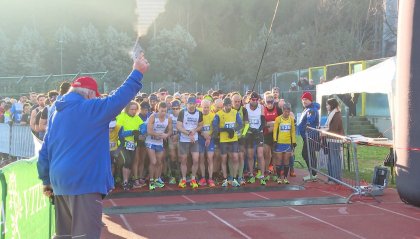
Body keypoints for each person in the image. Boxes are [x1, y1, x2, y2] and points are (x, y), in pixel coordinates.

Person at [37, 54, 149, 239]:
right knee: (85, 235)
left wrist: (45, 180)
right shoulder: (90, 108)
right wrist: (136, 73)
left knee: (64, 235)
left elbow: (45, 150)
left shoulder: (55, 112)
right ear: (89, 94)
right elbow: (117, 99)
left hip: (59, 182)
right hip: (84, 182)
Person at [212, 97, 242, 187]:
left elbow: (240, 124)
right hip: (224, 140)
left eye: (230, 105)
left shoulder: (235, 112)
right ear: (223, 106)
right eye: (226, 105)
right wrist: (225, 129)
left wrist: (233, 130)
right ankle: (225, 179)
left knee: (235, 158)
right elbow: (215, 127)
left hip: (233, 139)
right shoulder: (218, 114)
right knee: (224, 159)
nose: (228, 107)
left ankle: (234, 178)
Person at [176, 95, 203, 189]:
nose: (191, 105)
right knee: (183, 159)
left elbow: (200, 126)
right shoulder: (182, 113)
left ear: (196, 104)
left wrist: (194, 131)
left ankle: (193, 178)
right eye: (190, 103)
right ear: (187, 104)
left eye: (193, 104)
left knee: (196, 159)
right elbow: (178, 126)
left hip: (194, 139)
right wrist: (188, 134)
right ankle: (183, 179)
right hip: (184, 139)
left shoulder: (199, 113)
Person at [117, 101, 144, 191]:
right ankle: (124, 181)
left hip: (133, 144)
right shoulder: (121, 117)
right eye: (131, 109)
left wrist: (141, 131)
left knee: (130, 163)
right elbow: (120, 134)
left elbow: (143, 126)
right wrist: (131, 132)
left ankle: (126, 181)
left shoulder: (137, 118)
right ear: (127, 109)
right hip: (122, 143)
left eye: (135, 109)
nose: (133, 111)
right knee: (127, 161)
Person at [145, 102, 171, 190]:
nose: (163, 113)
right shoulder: (153, 117)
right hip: (150, 141)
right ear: (158, 109)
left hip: (160, 142)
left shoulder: (168, 118)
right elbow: (149, 131)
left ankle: (157, 179)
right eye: (162, 111)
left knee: (159, 162)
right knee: (153, 162)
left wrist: (166, 135)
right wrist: (158, 134)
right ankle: (151, 180)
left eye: (165, 111)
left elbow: (170, 131)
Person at [245, 92, 267, 185]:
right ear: (249, 100)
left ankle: (262, 175)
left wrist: (258, 130)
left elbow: (263, 122)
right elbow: (245, 122)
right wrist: (251, 130)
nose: (254, 102)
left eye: (256, 100)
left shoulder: (261, 107)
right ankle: (251, 174)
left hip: (259, 133)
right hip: (249, 133)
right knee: (250, 155)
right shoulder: (245, 107)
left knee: (260, 155)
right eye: (253, 100)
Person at [297, 91, 320, 181]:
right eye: (302, 99)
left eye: (306, 99)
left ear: (310, 100)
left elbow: (310, 120)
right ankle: (313, 173)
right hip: (307, 136)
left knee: (307, 154)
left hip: (310, 136)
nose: (304, 101)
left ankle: (313, 174)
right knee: (310, 154)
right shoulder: (307, 109)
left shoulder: (311, 109)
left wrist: (306, 126)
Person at [273, 103, 296, 184]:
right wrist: (275, 140)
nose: (286, 113)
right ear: (282, 111)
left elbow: (293, 131)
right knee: (279, 160)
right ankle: (279, 177)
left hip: (287, 143)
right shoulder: (278, 119)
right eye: (285, 111)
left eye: (288, 112)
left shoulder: (291, 120)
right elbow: (275, 131)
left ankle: (285, 178)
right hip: (279, 143)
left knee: (286, 160)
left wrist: (294, 142)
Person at [323, 98, 344, 183]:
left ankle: (336, 179)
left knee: (334, 159)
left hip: (335, 140)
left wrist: (324, 132)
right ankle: (331, 178)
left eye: (327, 104)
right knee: (331, 159)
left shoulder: (336, 114)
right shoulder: (332, 113)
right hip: (331, 139)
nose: (326, 106)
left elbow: (334, 129)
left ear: (332, 105)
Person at [198, 99, 216, 187]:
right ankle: (203, 177)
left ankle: (210, 178)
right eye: (204, 107)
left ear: (210, 107)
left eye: (207, 107)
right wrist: (202, 133)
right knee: (201, 158)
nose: (205, 109)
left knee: (210, 158)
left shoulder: (213, 116)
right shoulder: (198, 115)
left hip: (210, 139)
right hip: (200, 139)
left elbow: (216, 129)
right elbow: (195, 128)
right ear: (201, 107)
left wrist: (209, 137)